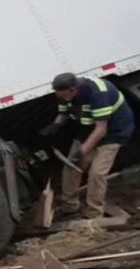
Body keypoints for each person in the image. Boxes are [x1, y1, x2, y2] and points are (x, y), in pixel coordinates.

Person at [40, 72, 134, 220]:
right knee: (71, 166)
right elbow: (64, 113)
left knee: (97, 173)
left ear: (73, 89)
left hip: (113, 132)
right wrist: (54, 125)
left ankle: (94, 214)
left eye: (63, 95)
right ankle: (70, 207)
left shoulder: (98, 94)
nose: (61, 98)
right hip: (88, 129)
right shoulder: (65, 94)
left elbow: (101, 130)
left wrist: (83, 150)